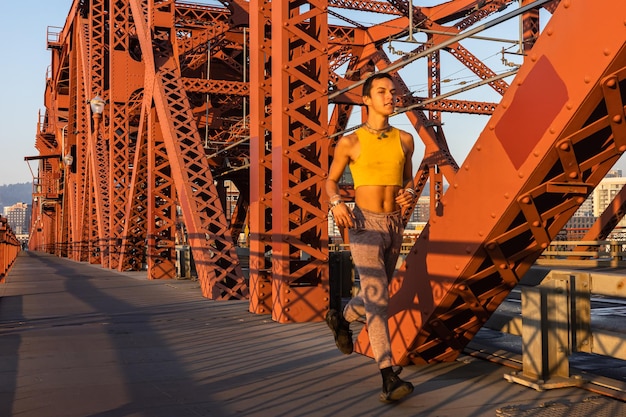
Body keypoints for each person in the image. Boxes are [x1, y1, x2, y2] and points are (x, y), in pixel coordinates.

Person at [325, 72, 416, 403]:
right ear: (366, 100)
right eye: (382, 92)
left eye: (392, 92)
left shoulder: (406, 139)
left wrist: (408, 193)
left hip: (395, 225)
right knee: (378, 300)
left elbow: (408, 181)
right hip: (364, 225)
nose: (391, 96)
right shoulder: (350, 142)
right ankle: (388, 376)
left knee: (375, 296)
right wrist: (336, 204)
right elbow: (330, 181)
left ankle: (341, 317)